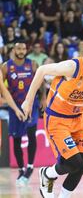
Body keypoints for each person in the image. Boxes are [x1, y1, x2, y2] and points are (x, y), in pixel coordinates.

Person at [21, 33, 83, 198]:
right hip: (58, 119)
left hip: (81, 118)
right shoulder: (73, 67)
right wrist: (28, 101)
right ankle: (48, 174)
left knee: (82, 166)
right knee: (74, 163)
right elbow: (42, 70)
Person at [1, 40, 45, 185]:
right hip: (15, 107)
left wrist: (44, 97)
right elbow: (3, 88)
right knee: (17, 139)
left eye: (23, 48)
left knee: (32, 134)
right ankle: (21, 169)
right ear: (13, 50)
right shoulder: (6, 67)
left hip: (31, 105)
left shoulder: (32, 64)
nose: (21, 51)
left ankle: (30, 167)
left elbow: (41, 81)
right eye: (18, 48)